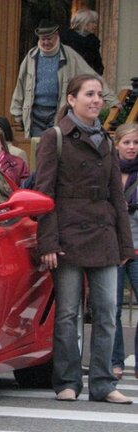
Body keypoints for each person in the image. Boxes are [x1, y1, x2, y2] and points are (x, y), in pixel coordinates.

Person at [34, 74, 132, 404]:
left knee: (106, 312)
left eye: (100, 96)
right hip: (67, 237)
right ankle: (67, 381)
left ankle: (103, 383)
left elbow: (117, 197)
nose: (96, 100)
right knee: (67, 314)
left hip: (103, 236)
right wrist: (47, 242)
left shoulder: (105, 141)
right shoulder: (55, 137)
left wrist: (124, 244)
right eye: (89, 94)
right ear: (72, 99)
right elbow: (44, 194)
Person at [10, 19, 120, 138]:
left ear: (57, 36)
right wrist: (17, 112)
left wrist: (112, 99)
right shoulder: (31, 57)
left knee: (57, 148)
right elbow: (20, 84)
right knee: (39, 150)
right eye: (43, 39)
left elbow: (92, 78)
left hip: (59, 115)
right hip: (35, 117)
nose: (46, 42)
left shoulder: (70, 55)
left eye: (49, 38)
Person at [111, 122, 138, 380]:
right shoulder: (107, 171)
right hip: (114, 247)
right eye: (127, 142)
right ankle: (115, 361)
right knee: (113, 307)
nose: (132, 148)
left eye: (136, 143)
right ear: (117, 144)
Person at [60, 9, 104, 75]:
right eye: (92, 22)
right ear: (83, 22)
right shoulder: (66, 37)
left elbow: (97, 63)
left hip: (86, 77)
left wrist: (96, 75)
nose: (95, 25)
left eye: (96, 22)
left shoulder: (93, 41)